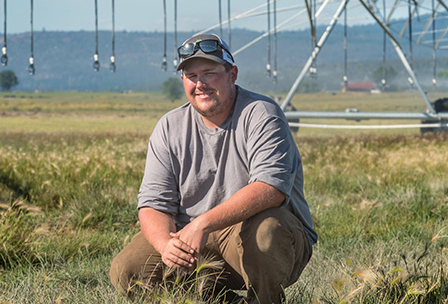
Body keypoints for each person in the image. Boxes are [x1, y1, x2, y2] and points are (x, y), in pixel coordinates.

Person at [110, 33, 316, 303]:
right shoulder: (169, 127)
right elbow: (153, 203)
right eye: (191, 75)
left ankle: (264, 300)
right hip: (194, 238)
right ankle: (217, 300)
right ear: (183, 80)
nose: (200, 83)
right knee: (127, 270)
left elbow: (271, 189)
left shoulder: (261, 114)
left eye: (209, 73)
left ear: (233, 74)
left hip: (253, 232)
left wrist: (203, 224)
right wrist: (165, 245)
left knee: (268, 233)